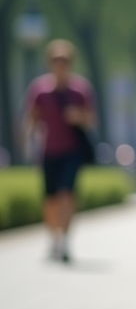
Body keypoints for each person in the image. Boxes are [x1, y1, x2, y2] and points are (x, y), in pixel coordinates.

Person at [22, 39, 97, 263]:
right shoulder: (40, 90)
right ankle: (53, 238)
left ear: (70, 62)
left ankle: (65, 241)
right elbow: (31, 119)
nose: (60, 64)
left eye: (64, 60)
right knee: (50, 200)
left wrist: (78, 116)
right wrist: (27, 142)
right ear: (49, 62)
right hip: (49, 151)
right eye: (56, 59)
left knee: (67, 194)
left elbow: (91, 119)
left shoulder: (80, 90)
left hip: (72, 151)